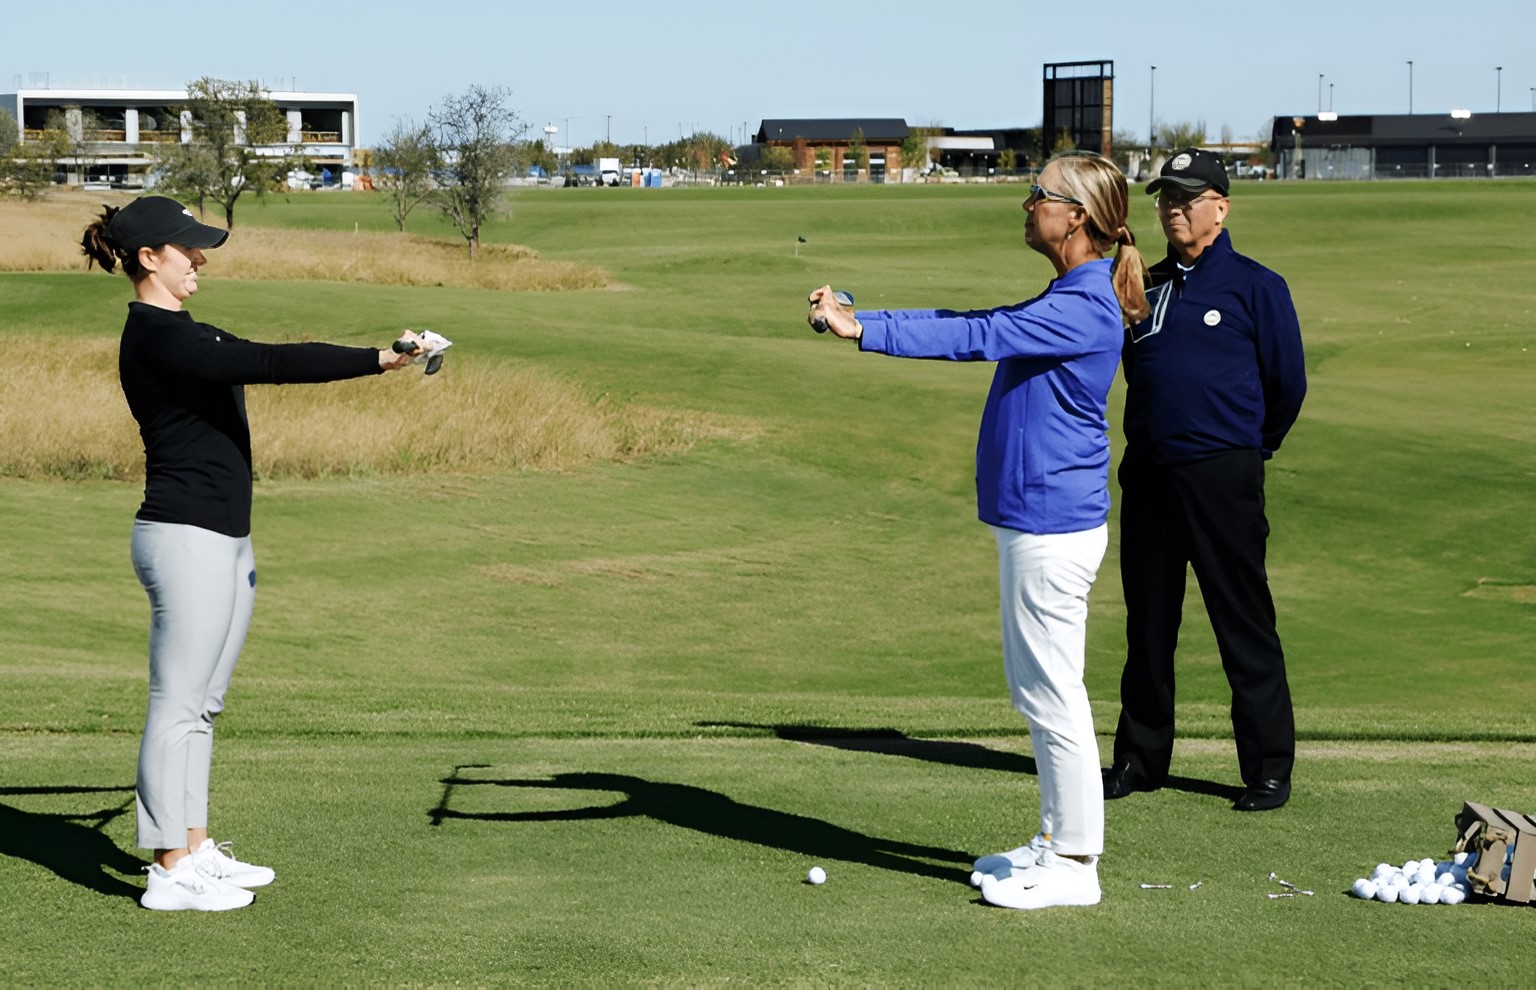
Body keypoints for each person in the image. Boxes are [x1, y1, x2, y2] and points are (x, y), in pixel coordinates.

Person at [808, 151, 1148, 910]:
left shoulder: (1084, 303)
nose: (1027, 203)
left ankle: (1076, 864)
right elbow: (974, 323)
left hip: (1051, 525)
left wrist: (864, 328)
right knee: (1039, 690)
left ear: (1077, 218)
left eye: (1040, 194)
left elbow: (975, 334)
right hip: (1037, 520)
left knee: (1053, 692)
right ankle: (1058, 839)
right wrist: (866, 324)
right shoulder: (1072, 292)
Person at [80, 195, 423, 910]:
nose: (201, 257)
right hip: (185, 539)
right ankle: (169, 870)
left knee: (203, 705)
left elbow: (258, 352)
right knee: (176, 705)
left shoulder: (185, 330)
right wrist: (381, 359)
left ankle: (195, 846)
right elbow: (271, 360)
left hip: (224, 540)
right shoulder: (157, 338)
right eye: (188, 248)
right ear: (150, 258)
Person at [1102, 148, 1306, 813]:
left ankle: (1268, 769)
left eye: (1187, 199)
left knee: (1242, 621)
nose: (1174, 209)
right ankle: (1140, 758)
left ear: (1221, 206)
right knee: (1149, 623)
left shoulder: (1256, 286)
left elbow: (1286, 387)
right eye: (1166, 199)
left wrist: (1248, 450)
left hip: (1223, 476)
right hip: (1153, 474)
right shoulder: (1143, 282)